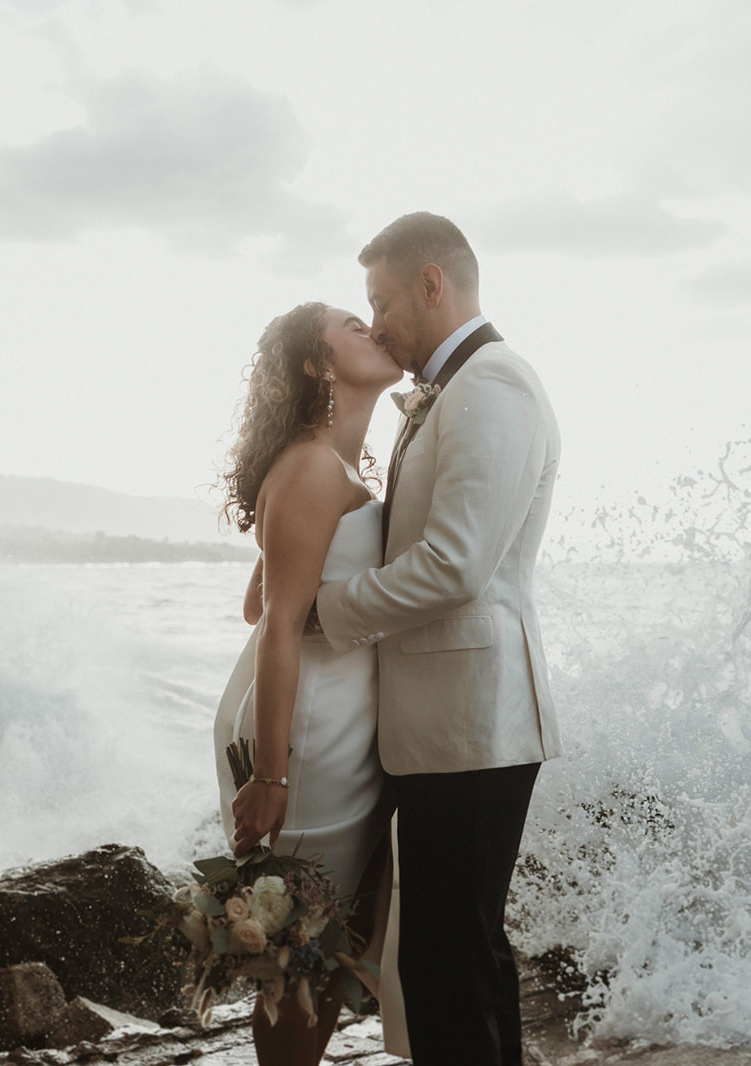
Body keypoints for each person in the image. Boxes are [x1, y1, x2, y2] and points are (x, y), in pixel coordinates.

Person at [314, 212, 562, 1066]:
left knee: (448, 964)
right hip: (447, 729)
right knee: (457, 959)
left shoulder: (493, 385)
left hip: (475, 724)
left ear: (432, 284)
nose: (375, 321)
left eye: (381, 299)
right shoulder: (451, 391)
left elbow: (455, 565)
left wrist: (329, 610)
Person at [214, 301, 406, 1065]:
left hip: (336, 723)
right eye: (352, 328)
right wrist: (269, 772)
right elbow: (277, 625)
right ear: (319, 367)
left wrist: (321, 606)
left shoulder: (325, 465)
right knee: (296, 951)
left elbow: (259, 602)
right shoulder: (310, 466)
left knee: (317, 942)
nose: (372, 329)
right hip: (309, 735)